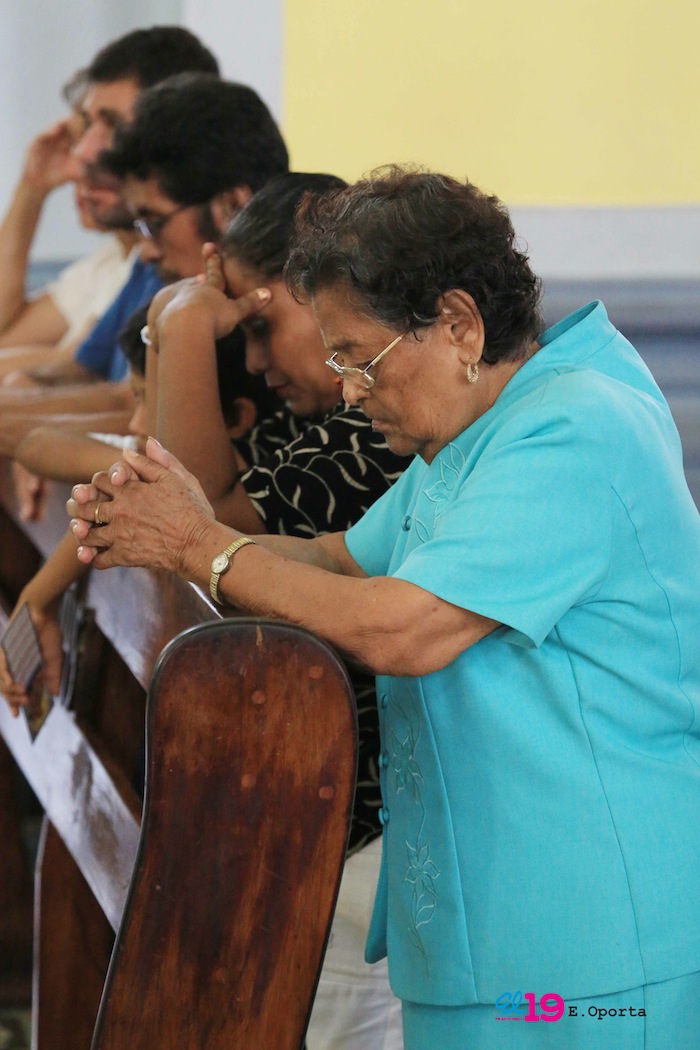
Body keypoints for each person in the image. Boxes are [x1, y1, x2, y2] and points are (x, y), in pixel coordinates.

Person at [64, 168, 700, 1050]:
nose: (350, 391)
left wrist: (201, 549)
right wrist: (178, 526)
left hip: (592, 953)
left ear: (458, 325)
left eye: (357, 356)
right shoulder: (471, 434)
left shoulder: (576, 427)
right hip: (489, 928)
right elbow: (336, 559)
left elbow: (402, 626)